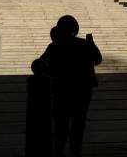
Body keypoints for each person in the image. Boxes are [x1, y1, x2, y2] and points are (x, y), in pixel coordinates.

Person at [40, 15, 102, 157]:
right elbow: (97, 59)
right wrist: (91, 44)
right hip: (82, 90)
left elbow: (41, 64)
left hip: (61, 90)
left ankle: (59, 151)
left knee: (61, 123)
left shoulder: (54, 46)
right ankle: (75, 150)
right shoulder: (84, 44)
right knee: (78, 122)